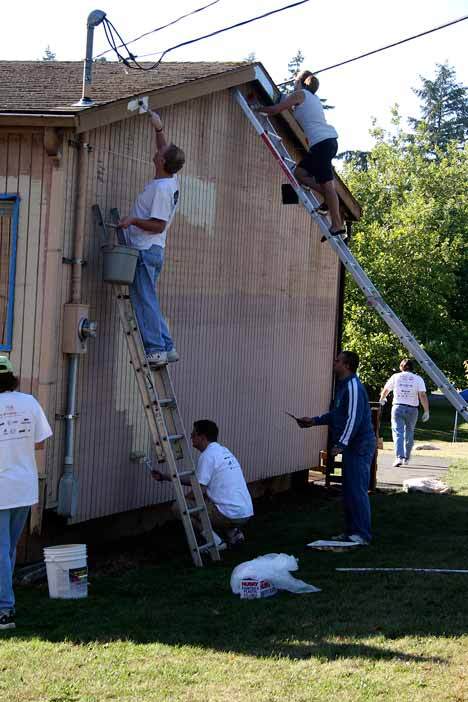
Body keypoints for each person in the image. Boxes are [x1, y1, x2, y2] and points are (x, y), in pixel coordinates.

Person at [118, 110, 185, 368]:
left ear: (161, 162)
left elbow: (158, 225)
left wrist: (132, 221)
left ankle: (156, 349)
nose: (157, 151)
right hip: (154, 251)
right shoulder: (170, 179)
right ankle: (167, 346)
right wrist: (158, 129)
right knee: (150, 299)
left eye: (160, 153)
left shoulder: (160, 190)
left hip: (145, 250)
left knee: (144, 300)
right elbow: (164, 150)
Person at [294, 351, 375, 545]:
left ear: (346, 365)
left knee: (357, 490)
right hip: (351, 445)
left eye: (337, 361)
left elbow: (353, 419)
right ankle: (351, 532)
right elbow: (337, 414)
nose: (334, 363)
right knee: (349, 490)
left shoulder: (353, 387)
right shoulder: (343, 386)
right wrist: (313, 421)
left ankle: (362, 535)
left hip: (359, 445)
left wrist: (341, 444)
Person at [254, 70, 345, 237]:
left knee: (327, 185)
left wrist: (258, 108)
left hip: (322, 144)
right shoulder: (311, 98)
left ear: (300, 82)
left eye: (295, 81)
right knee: (300, 173)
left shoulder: (301, 94)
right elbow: (287, 102)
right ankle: (328, 200)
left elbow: (275, 109)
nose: (293, 85)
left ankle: (337, 224)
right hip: (326, 143)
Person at [0, 356, 52, 630]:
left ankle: (4, 610)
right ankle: (5, 601)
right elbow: (40, 444)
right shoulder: (28, 402)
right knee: (7, 550)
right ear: (12, 377)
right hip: (23, 488)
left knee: (1, 550)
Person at [152, 420, 254, 548]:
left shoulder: (207, 456)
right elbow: (197, 482)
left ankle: (216, 543)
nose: (190, 437)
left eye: (194, 434)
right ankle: (234, 534)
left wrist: (184, 501)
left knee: (178, 507)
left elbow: (198, 490)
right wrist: (165, 477)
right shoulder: (223, 451)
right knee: (210, 499)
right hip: (245, 511)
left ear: (203, 437)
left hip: (229, 514)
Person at [379, 359, 429, 467]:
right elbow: (422, 395)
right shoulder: (418, 379)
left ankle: (399, 457)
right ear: (412, 368)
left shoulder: (396, 376)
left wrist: (382, 398)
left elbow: (386, 389)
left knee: (398, 433)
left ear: (401, 367)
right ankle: (406, 458)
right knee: (409, 433)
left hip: (398, 407)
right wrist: (426, 411)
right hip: (412, 409)